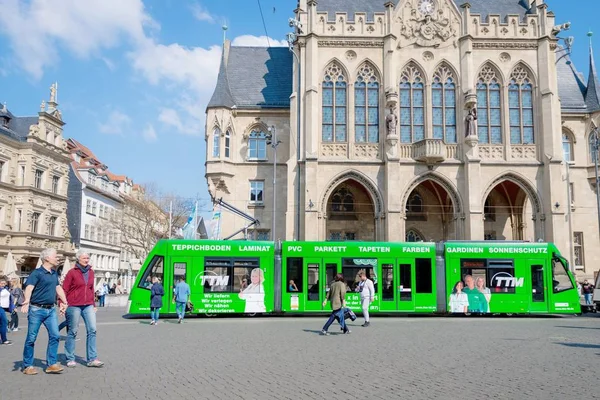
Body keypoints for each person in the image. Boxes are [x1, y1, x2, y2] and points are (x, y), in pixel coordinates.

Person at [21, 248, 68, 375]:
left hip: (50, 310)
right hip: (36, 309)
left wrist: (64, 302)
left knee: (55, 336)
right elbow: (29, 287)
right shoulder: (37, 273)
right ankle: (28, 365)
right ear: (47, 258)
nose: (57, 258)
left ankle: (51, 364)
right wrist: (26, 300)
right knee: (31, 338)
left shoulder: (54, 273)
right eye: (55, 256)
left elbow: (58, 288)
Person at [62, 250, 104, 368]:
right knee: (73, 331)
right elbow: (64, 289)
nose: (87, 260)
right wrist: (62, 303)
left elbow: (91, 289)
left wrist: (93, 304)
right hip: (74, 305)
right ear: (78, 259)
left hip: (88, 305)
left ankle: (92, 359)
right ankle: (70, 358)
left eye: (88, 258)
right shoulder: (72, 273)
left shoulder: (91, 272)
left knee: (92, 330)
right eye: (84, 258)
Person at [0, 276, 14, 345]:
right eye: (1, 283)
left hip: (4, 308)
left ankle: (4, 339)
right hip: (0, 307)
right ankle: (4, 339)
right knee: (4, 322)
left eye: (4, 283)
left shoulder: (5, 288)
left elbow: (9, 285)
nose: (3, 284)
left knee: (3, 323)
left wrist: (9, 280)